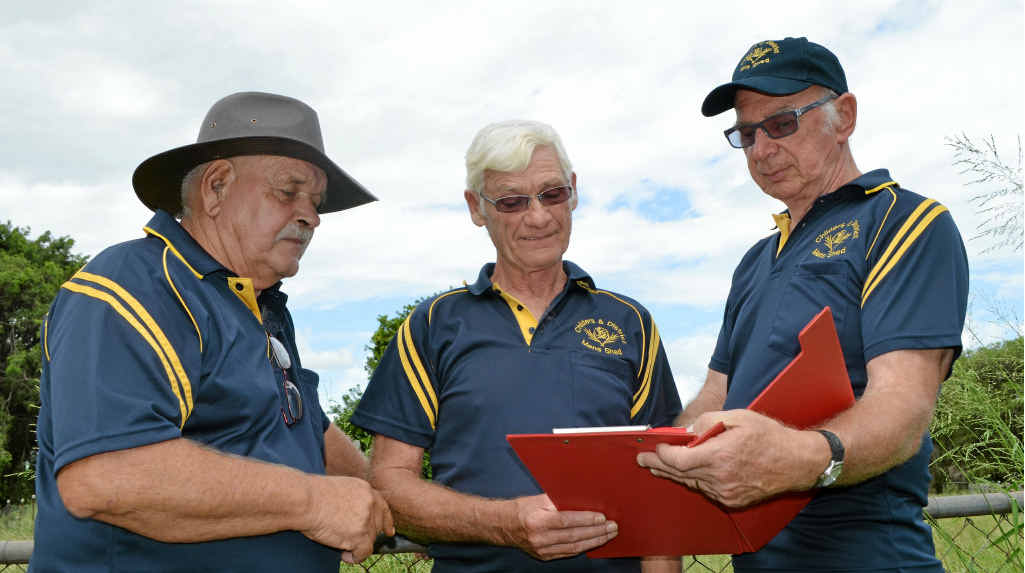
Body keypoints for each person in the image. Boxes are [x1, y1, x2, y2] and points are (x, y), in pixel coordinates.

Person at [637, 37, 969, 572]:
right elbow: (716, 395)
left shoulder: (903, 223)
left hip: (867, 556)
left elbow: (903, 408)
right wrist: (664, 452)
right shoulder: (754, 261)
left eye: (782, 122)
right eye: (746, 133)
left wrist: (800, 458)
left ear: (845, 116)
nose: (762, 149)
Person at [32, 91, 394, 572]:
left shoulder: (260, 309)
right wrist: (313, 500)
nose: (311, 216)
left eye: (316, 201)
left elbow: (309, 431)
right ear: (216, 187)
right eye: (289, 191)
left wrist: (399, 506)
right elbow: (105, 476)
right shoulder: (134, 284)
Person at [351, 120, 683, 572]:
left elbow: (661, 488)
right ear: (476, 208)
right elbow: (390, 484)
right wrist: (502, 523)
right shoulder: (431, 326)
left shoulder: (631, 323)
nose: (539, 216)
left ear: (575, 191)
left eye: (552, 193)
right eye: (511, 201)